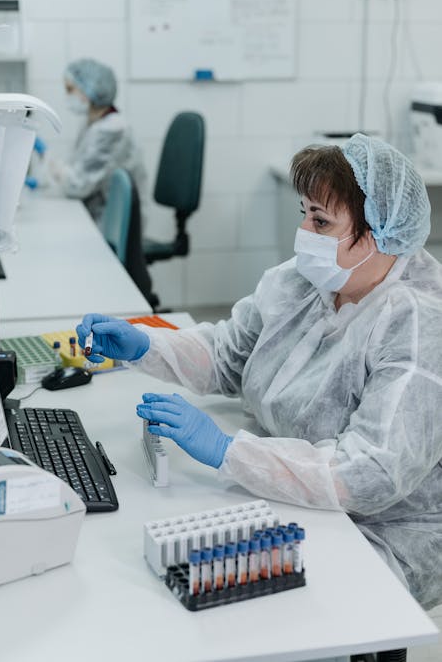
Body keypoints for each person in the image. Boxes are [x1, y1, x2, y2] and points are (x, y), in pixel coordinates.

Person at [77, 133, 442, 610]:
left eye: (322, 220)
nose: (305, 233)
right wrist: (145, 345)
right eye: (305, 213)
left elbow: (370, 474)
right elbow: (230, 355)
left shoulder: (416, 326)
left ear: (378, 233)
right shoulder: (304, 281)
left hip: (377, 534)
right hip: (287, 497)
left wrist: (230, 451)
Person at [48, 57, 147, 225]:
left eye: (70, 89)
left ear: (90, 89)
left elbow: (77, 185)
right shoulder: (93, 124)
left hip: (114, 224)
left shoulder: (112, 130)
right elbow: (77, 168)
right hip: (97, 214)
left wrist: (58, 170)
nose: (67, 96)